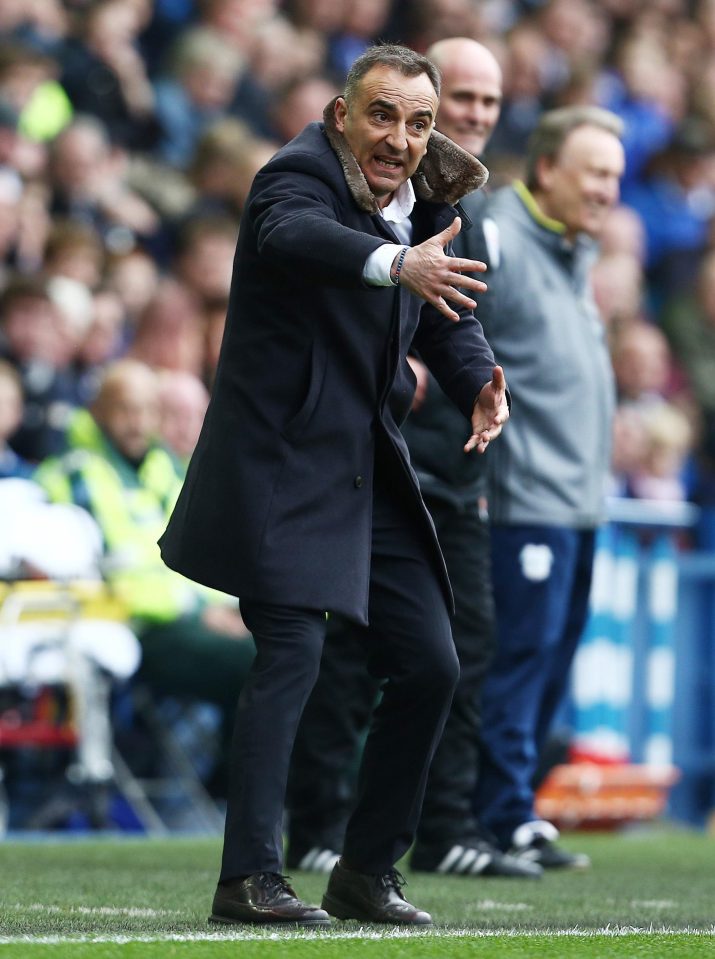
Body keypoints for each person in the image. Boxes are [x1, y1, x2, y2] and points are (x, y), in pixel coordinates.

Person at [159, 43, 508, 926]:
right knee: (292, 655)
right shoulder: (294, 174)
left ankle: (364, 870)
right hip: (279, 462)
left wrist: (476, 380)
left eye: (419, 122)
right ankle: (248, 878)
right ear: (341, 113)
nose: (400, 137)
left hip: (364, 459)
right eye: (383, 114)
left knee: (432, 661)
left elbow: (445, 306)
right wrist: (395, 264)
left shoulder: (422, 194)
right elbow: (293, 237)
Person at [286, 37, 540, 881]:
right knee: (344, 650)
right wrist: (400, 356)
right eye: (457, 97)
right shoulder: (341, 187)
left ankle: (439, 825)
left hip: (452, 465)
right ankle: (320, 823)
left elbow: (457, 320)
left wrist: (475, 376)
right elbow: (318, 282)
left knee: (454, 649)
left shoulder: (463, 204)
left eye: (482, 104)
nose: (471, 115)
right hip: (369, 454)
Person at [470, 105, 625, 869]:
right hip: (522, 497)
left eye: (615, 178)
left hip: (577, 503)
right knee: (518, 658)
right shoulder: (498, 233)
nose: (606, 191)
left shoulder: (572, 252)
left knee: (548, 660)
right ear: (547, 169)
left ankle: (517, 808)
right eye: (594, 173)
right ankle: (493, 815)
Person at [34, 359, 255, 800]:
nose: (137, 423)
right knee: (259, 662)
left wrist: (234, 608)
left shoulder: (166, 470)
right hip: (131, 627)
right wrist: (200, 609)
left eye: (146, 410)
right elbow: (110, 574)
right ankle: (239, 790)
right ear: (97, 411)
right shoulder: (73, 475)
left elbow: (202, 556)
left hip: (193, 617)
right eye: (124, 409)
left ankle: (246, 787)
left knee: (294, 649)